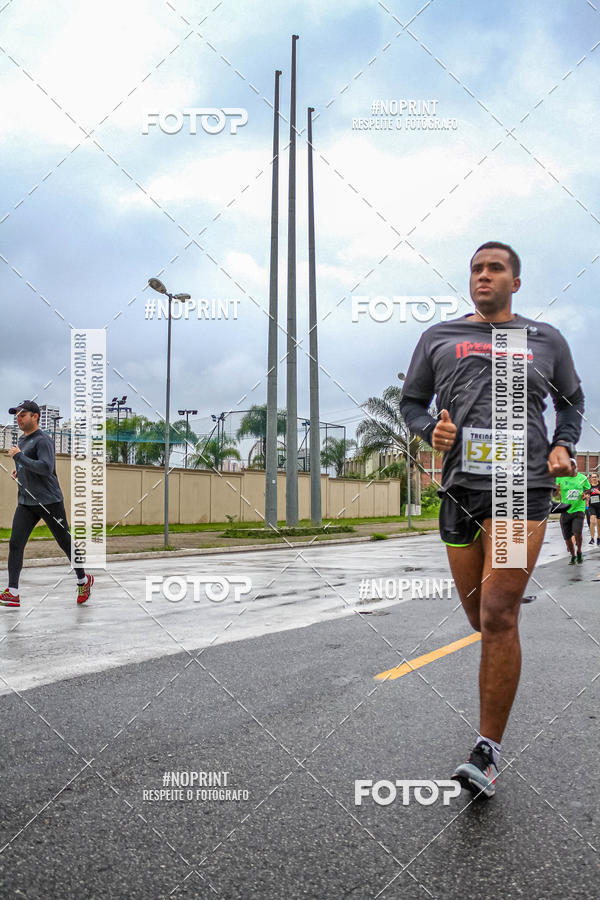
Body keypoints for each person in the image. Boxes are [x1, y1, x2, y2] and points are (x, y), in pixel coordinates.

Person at [399, 241, 583, 798]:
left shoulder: (545, 340)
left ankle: (487, 751)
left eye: (494, 268)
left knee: (500, 615)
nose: (483, 275)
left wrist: (562, 444)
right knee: (480, 618)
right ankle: (501, 657)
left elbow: (572, 401)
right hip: (460, 492)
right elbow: (411, 403)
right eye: (476, 268)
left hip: (520, 487)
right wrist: (432, 430)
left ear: (515, 282)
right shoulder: (438, 338)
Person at [0, 401, 93, 608]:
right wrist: (20, 471)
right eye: (16, 415)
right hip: (26, 502)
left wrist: (20, 458)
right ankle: (13, 592)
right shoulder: (22, 442)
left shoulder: (43, 441)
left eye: (22, 414)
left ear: (35, 416)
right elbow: (28, 466)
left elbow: (45, 468)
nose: (18, 418)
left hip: (49, 502)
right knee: (15, 543)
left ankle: (83, 580)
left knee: (64, 542)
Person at [554, 466, 591, 563]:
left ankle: (579, 551)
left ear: (575, 467)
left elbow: (588, 490)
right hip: (565, 511)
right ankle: (573, 555)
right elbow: (556, 496)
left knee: (577, 532)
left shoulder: (582, 478)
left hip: (579, 509)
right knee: (567, 537)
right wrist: (556, 491)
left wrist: (586, 495)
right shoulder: (560, 478)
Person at [586, 472, 600, 545]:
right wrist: (586, 497)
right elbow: (585, 495)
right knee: (592, 520)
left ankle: (598, 538)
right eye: (592, 477)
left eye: (595, 477)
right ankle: (592, 538)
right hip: (592, 506)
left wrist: (599, 492)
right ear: (590, 479)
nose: (594, 478)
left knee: (598, 523)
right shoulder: (588, 486)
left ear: (598, 478)